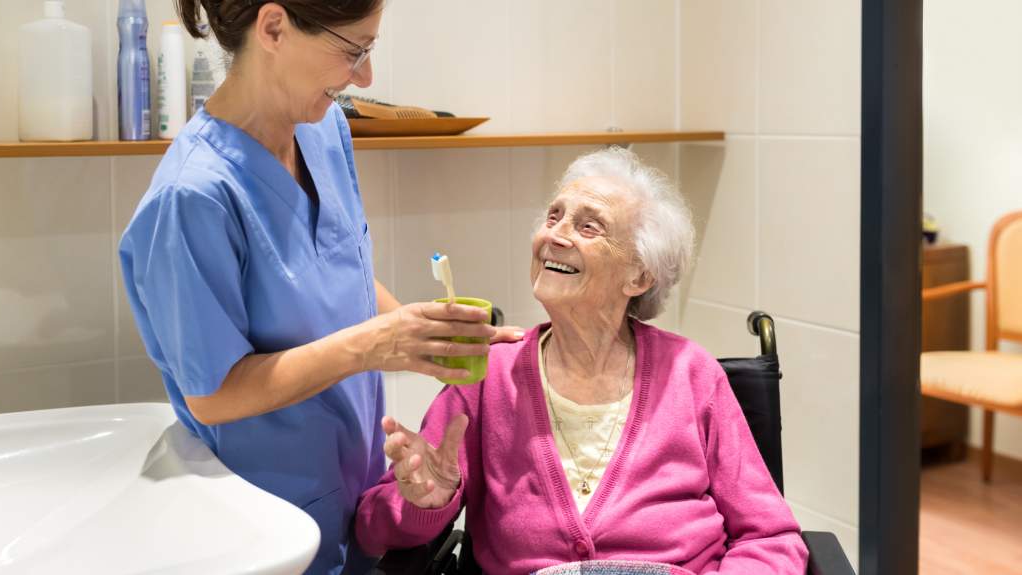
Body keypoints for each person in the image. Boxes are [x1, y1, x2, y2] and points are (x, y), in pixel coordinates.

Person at [119, 1, 519, 573]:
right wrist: (378, 345)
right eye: (353, 50)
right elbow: (214, 394)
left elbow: (337, 268)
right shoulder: (192, 198)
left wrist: (427, 337)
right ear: (274, 27)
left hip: (357, 497)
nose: (365, 77)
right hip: (264, 522)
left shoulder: (324, 130)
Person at [355, 147, 808, 574]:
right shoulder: (487, 376)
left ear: (639, 274)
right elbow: (373, 525)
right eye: (554, 216)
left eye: (588, 227)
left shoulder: (691, 374)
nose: (554, 234)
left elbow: (771, 538)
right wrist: (426, 502)